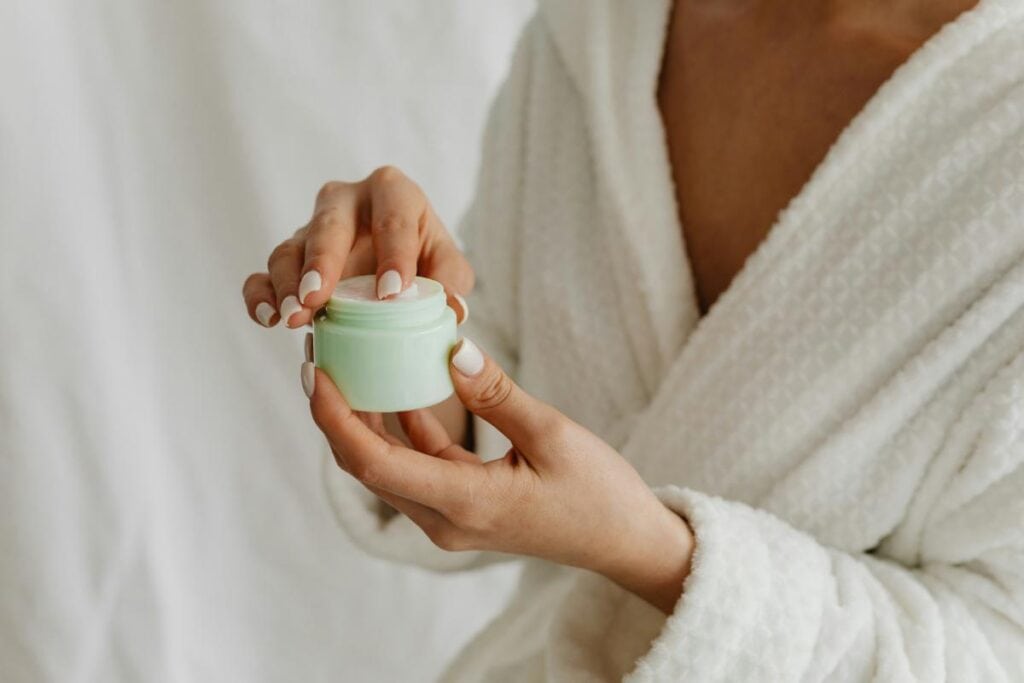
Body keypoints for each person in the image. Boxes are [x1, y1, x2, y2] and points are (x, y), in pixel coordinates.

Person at [242, 0, 1024, 679]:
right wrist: (397, 330)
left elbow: (1000, 651)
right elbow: (504, 396)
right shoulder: (602, 32)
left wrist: (650, 551)